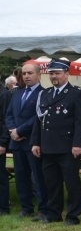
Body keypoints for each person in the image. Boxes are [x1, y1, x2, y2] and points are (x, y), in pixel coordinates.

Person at [30, 59, 81, 225]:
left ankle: (72, 215)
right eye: (51, 73)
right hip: (48, 145)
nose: (54, 76)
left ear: (66, 74)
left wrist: (78, 143)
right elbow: (39, 120)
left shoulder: (76, 94)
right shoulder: (45, 94)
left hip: (68, 147)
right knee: (52, 182)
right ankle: (53, 213)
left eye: (57, 73)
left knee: (71, 183)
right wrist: (36, 142)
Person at [5, 62, 48, 217]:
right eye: (24, 74)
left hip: (33, 141)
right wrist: (13, 131)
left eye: (30, 73)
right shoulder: (17, 93)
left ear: (38, 75)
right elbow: (8, 114)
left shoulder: (44, 94)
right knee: (21, 177)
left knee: (38, 177)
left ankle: (43, 208)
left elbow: (37, 117)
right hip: (16, 142)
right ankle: (26, 208)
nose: (26, 76)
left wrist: (20, 130)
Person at [0, 81, 10, 215]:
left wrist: (2, 142)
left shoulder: (4, 94)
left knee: (0, 176)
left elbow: (5, 120)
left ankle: (3, 207)